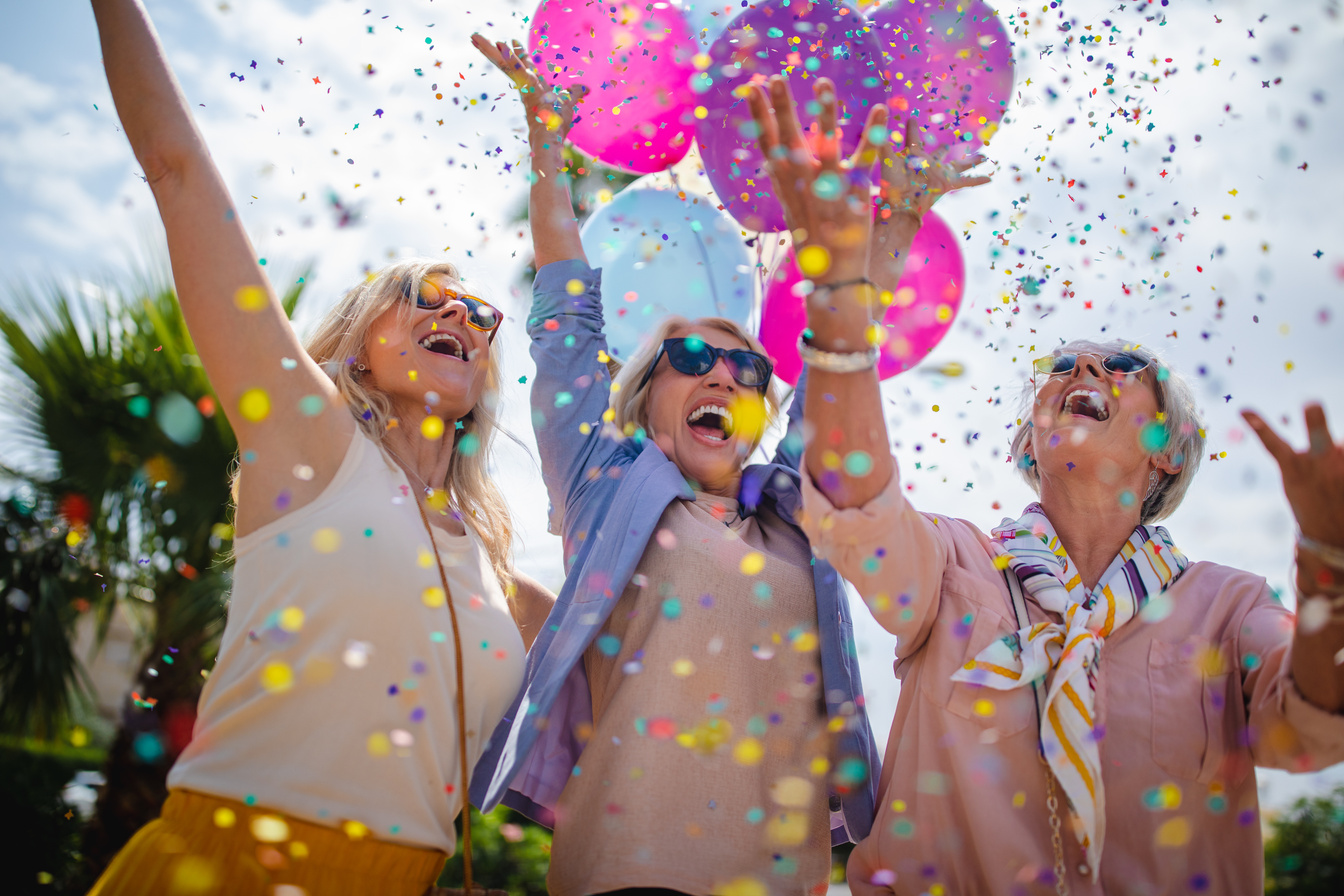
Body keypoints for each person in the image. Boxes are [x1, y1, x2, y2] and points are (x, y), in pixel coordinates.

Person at [746, 74, 1344, 894]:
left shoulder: (1231, 606)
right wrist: (840, 289)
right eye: (1061, 366)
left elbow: (1306, 734)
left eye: (1125, 367)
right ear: (1030, 438)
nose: (1086, 366)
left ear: (1168, 449)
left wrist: (1330, 568)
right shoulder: (956, 566)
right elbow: (853, 499)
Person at [85, 2, 552, 893]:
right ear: (356, 344)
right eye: (421, 295)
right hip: (217, 871)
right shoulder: (310, 439)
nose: (456, 312)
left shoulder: (504, 578)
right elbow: (180, 175)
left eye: (479, 313)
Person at [467, 38, 881, 895]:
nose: (724, 374)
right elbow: (564, 327)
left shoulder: (796, 512)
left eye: (748, 369)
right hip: (627, 872)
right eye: (693, 356)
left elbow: (841, 364)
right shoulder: (604, 481)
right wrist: (549, 151)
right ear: (646, 395)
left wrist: (886, 227)